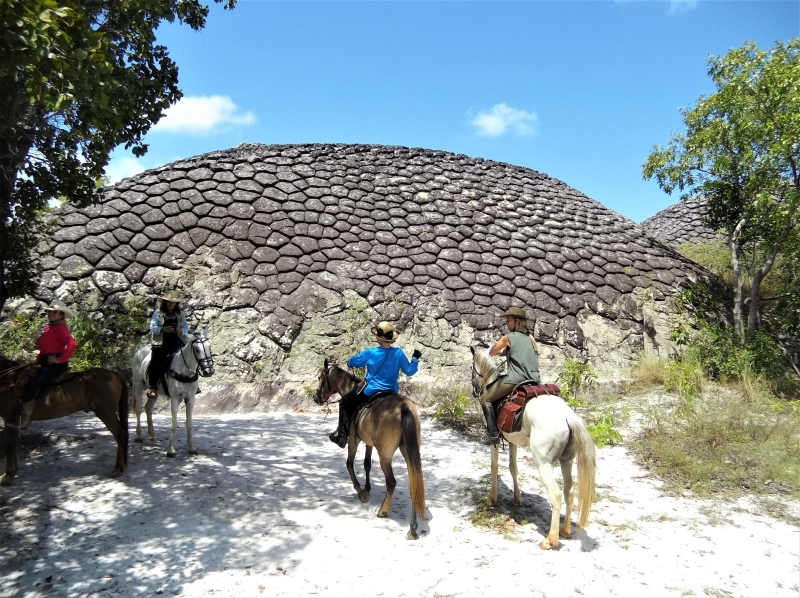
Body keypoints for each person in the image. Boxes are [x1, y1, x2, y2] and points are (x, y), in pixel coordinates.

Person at [328, 321, 421, 448]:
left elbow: (352, 362)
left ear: (378, 337)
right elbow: (410, 371)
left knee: (345, 402)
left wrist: (350, 361)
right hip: (392, 392)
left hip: (371, 391)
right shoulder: (398, 353)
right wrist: (415, 359)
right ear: (390, 338)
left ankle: (342, 436)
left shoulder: (371, 352)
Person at [478, 306, 541, 445]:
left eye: (508, 320)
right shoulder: (530, 338)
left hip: (516, 379)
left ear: (517, 321)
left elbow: (492, 352)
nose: (506, 323)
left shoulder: (508, 338)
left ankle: (493, 434)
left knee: (485, 397)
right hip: (534, 380)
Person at [19, 300, 78, 428]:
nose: (51, 314)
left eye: (55, 312)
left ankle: (25, 418)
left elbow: (72, 344)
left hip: (54, 365)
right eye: (49, 312)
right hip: (44, 362)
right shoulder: (48, 328)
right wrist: (39, 358)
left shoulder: (61, 329)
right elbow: (46, 348)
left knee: (31, 384)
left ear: (61, 315)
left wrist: (60, 359)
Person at [147, 290, 189, 399]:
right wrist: (163, 329)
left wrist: (181, 331)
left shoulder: (180, 314)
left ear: (176, 304)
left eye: (173, 302)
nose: (171, 304)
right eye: (169, 302)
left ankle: (191, 384)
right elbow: (152, 328)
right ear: (165, 302)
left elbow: (185, 327)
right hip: (161, 342)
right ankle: (152, 386)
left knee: (190, 356)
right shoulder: (158, 313)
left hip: (176, 341)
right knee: (156, 361)